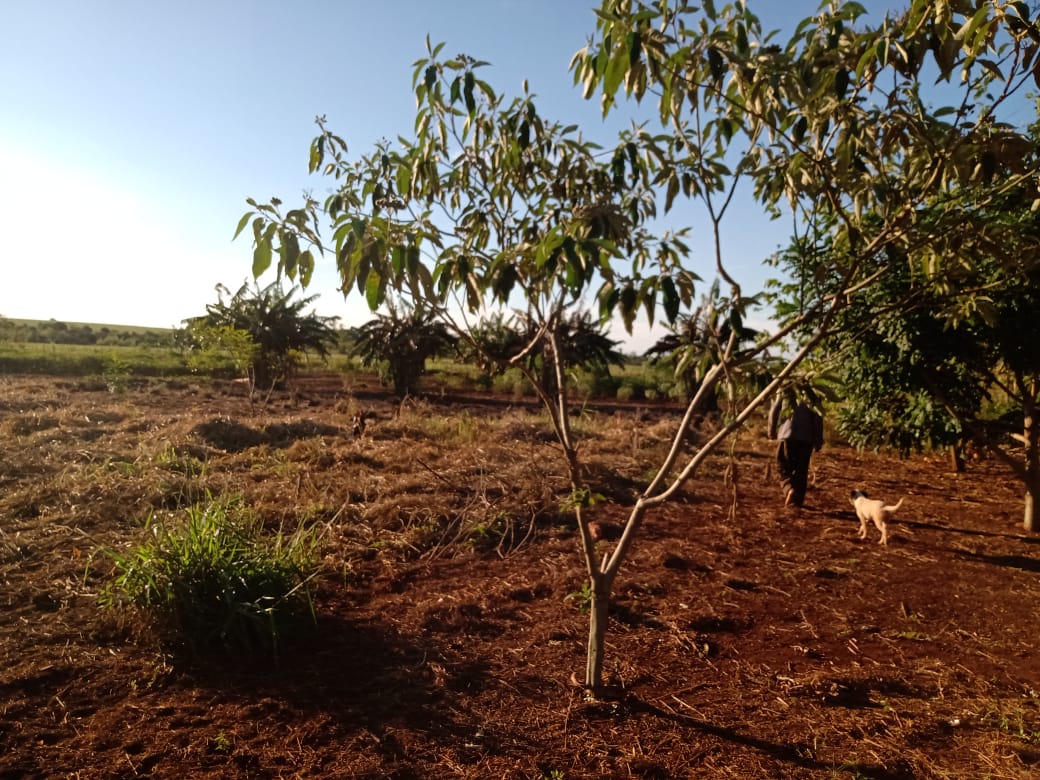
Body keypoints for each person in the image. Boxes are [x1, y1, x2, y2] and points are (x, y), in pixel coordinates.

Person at [767, 396, 824, 508]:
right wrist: (818, 440)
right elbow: (818, 417)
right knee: (801, 470)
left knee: (782, 465)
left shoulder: (788, 389)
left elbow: (774, 409)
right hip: (806, 439)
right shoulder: (814, 394)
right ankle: (797, 501)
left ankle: (789, 488)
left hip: (788, 435)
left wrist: (771, 430)